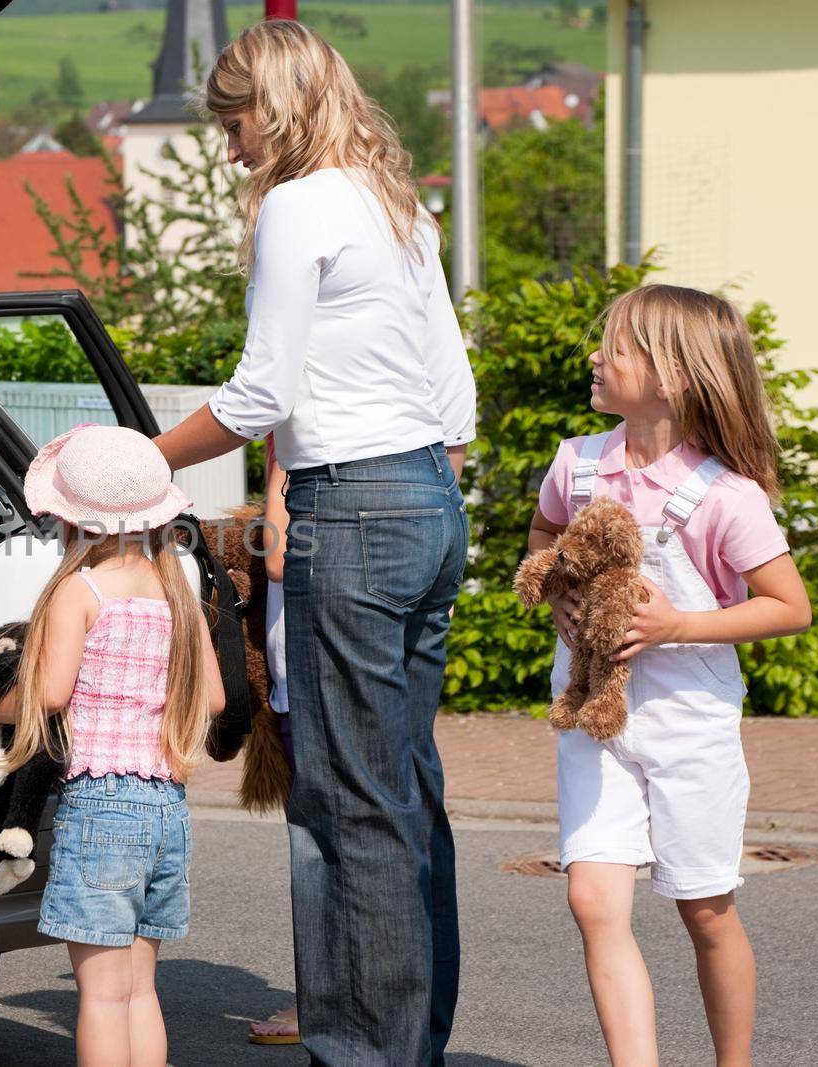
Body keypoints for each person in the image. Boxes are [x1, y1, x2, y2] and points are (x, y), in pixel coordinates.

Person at [154, 20, 476, 1065]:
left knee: (347, 807)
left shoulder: (297, 206)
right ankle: (410, 1039)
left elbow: (261, 391)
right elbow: (455, 394)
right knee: (406, 792)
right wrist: (417, 485)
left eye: (235, 121)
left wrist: (142, 457)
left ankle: (364, 1053)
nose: (229, 146)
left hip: (357, 508)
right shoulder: (396, 203)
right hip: (428, 497)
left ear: (276, 109)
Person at [529, 285, 810, 1067]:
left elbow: (789, 606)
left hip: (691, 722)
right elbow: (546, 532)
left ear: (673, 376)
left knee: (706, 908)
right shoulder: (577, 464)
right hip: (591, 710)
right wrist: (558, 590)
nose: (596, 355)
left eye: (615, 345)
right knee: (592, 899)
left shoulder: (726, 494)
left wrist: (682, 624)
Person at [0, 424, 227, 1067]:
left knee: (97, 998)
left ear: (73, 522)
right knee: (140, 991)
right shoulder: (180, 596)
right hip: (165, 808)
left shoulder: (78, 591)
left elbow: (52, 694)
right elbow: (214, 700)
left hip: (99, 807)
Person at [248, 433, 300, 1046]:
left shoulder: (297, 453)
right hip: (311, 684)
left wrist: (278, 461)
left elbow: (280, 558)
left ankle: (322, 1001)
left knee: (323, 854)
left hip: (309, 688)